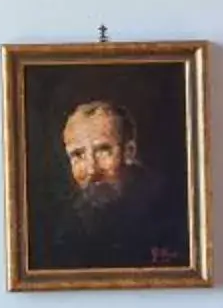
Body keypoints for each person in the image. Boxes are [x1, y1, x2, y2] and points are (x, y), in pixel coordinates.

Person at [47, 97, 189, 270]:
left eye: (103, 151)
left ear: (129, 152)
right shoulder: (64, 225)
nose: (92, 170)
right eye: (78, 155)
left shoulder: (170, 210)